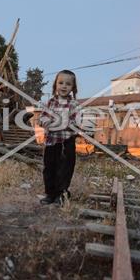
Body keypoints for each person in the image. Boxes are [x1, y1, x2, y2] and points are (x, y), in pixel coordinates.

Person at [39, 70, 79, 206]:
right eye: (61, 83)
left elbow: (75, 123)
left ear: (73, 88)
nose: (64, 86)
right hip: (51, 142)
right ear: (55, 85)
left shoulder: (73, 105)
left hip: (66, 142)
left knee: (64, 169)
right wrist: (46, 122)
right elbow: (43, 117)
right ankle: (50, 194)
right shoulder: (50, 102)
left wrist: (64, 124)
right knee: (49, 168)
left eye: (68, 84)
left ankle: (61, 194)